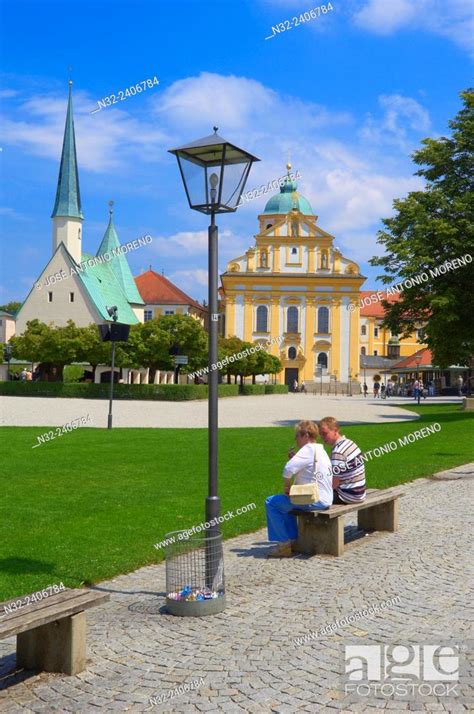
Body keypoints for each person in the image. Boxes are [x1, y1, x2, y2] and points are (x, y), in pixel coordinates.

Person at [265, 420, 333, 557]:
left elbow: (287, 470)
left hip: (314, 499)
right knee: (288, 504)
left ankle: (284, 544)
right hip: (326, 498)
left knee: (271, 502)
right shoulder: (320, 449)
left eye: (297, 436)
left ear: (305, 435)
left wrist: (287, 486)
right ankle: (293, 541)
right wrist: (296, 458)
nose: (295, 439)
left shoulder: (307, 449)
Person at [319, 417, 366, 504]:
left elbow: (334, 483)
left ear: (335, 430)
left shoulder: (338, 452)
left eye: (324, 434)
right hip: (360, 493)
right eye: (321, 434)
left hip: (348, 495)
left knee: (312, 497)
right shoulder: (349, 443)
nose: (322, 437)